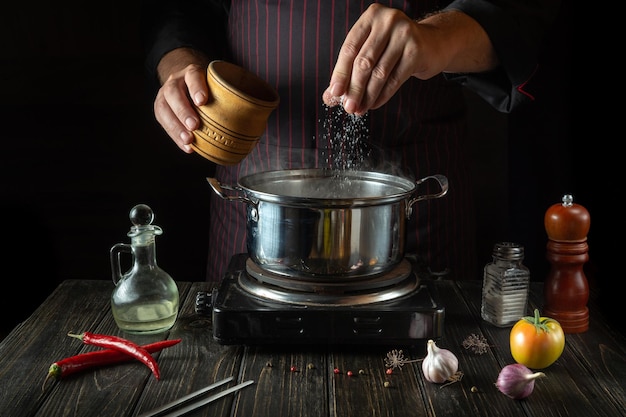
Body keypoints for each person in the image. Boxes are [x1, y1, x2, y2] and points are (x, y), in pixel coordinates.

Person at [143, 0, 560, 283]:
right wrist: (179, 64)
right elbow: (181, 9)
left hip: (414, 202)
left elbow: (522, 12)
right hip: (258, 203)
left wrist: (436, 36)